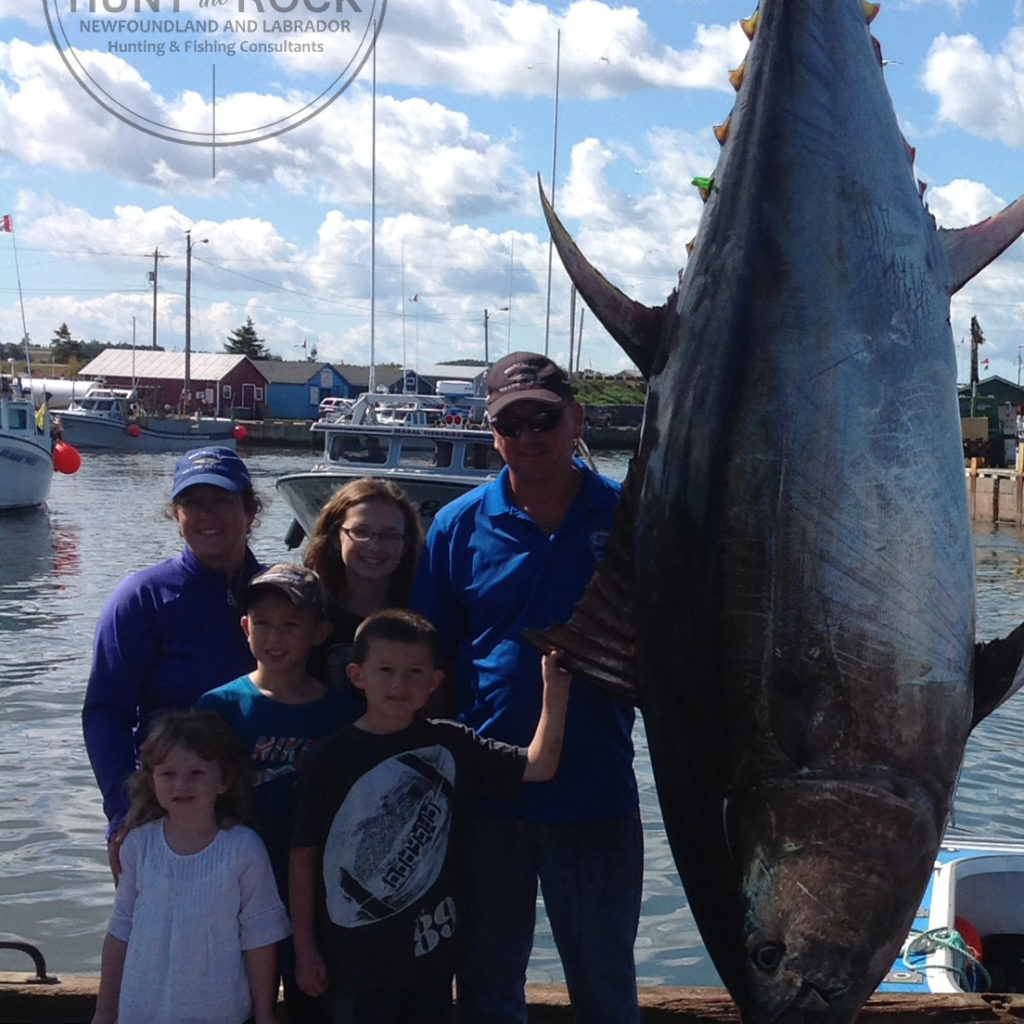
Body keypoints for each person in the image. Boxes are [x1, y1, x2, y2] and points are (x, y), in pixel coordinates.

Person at [409, 352, 642, 1024]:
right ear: (493, 435)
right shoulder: (456, 525)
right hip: (487, 802)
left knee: (604, 985)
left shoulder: (627, 518)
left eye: (545, 417)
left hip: (596, 794)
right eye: (514, 423)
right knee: (486, 983)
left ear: (576, 419)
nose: (531, 433)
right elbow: (434, 664)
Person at [289, 609, 572, 1024]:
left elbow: (539, 765)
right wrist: (304, 948)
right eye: (385, 669)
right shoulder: (328, 758)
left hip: (431, 958)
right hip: (352, 961)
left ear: (433, 682)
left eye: (414, 671)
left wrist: (556, 690)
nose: (399, 683)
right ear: (356, 674)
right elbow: (303, 857)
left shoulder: (451, 744)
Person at [83, 446, 263, 877]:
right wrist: (124, 811)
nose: (206, 516)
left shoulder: (280, 594)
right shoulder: (142, 597)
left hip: (265, 806)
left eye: (220, 500)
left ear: (250, 510)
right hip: (173, 810)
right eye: (191, 503)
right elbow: (106, 710)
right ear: (175, 513)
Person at [197, 562, 362, 1023]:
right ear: (246, 628)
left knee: (315, 998)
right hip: (239, 888)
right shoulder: (219, 707)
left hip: (316, 892)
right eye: (264, 623)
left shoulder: (341, 714)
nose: (275, 636)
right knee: (243, 1002)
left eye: (291, 624)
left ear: (319, 632)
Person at [90, 709, 291, 1024]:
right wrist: (104, 1011)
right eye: (168, 774)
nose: (181, 785)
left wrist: (265, 1012)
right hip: (141, 1010)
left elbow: (260, 935)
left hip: (219, 1011)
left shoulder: (243, 849)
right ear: (152, 780)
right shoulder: (139, 846)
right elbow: (120, 932)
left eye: (196, 773)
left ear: (223, 780)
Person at [302, 477, 423, 688]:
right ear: (334, 538)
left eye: (390, 535)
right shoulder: (307, 613)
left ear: (405, 546)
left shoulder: (423, 615)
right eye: (361, 532)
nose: (374, 545)